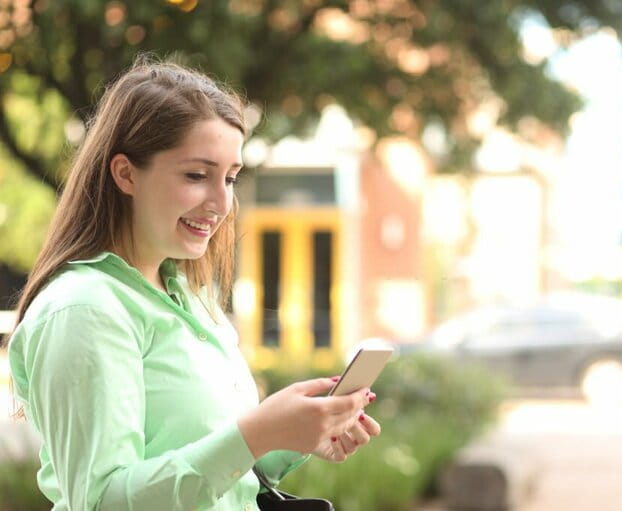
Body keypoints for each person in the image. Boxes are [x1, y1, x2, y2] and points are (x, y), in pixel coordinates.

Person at [4, 57, 380, 510]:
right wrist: (257, 431)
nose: (222, 202)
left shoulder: (190, 298)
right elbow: (102, 500)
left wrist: (290, 437)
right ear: (125, 173)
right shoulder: (86, 308)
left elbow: (206, 466)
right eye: (197, 175)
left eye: (231, 178)